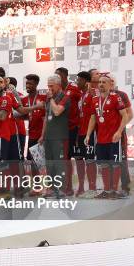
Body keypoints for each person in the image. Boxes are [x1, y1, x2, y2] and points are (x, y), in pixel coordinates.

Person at [85, 75, 128, 198]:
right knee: (103, 164)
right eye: (99, 82)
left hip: (114, 138)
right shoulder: (94, 100)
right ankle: (107, 190)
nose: (101, 84)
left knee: (115, 164)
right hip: (101, 139)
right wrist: (88, 134)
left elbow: (124, 116)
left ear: (110, 84)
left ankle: (114, 191)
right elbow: (93, 118)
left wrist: (119, 131)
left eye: (104, 82)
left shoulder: (116, 98)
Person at [38, 75, 72, 198]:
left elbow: (57, 111)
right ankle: (51, 189)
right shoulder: (48, 99)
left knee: (60, 163)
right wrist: (42, 135)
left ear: (58, 85)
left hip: (60, 136)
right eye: (48, 86)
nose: (49, 88)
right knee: (49, 164)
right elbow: (46, 118)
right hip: (48, 137)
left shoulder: (65, 97)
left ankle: (62, 189)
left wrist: (51, 99)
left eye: (51, 86)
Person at [55, 67, 83, 196]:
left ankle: (81, 187)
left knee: (77, 158)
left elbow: (81, 106)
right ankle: (68, 186)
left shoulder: (74, 89)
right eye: (56, 76)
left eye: (59, 76)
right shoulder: (57, 91)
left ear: (65, 76)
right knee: (65, 159)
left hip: (74, 129)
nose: (57, 78)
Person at [74, 71, 98, 196]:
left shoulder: (93, 94)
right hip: (80, 132)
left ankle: (92, 189)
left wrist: (89, 133)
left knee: (89, 160)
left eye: (78, 80)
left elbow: (94, 116)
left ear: (85, 81)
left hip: (90, 132)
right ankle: (81, 187)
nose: (77, 82)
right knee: (79, 159)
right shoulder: (81, 95)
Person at [21, 74, 47, 184]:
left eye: (30, 83)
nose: (27, 85)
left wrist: (43, 135)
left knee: (42, 163)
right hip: (31, 135)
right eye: (27, 83)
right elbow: (22, 115)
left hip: (41, 136)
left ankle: (46, 186)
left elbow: (46, 118)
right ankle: (36, 187)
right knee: (32, 162)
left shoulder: (43, 99)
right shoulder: (24, 100)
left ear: (36, 84)